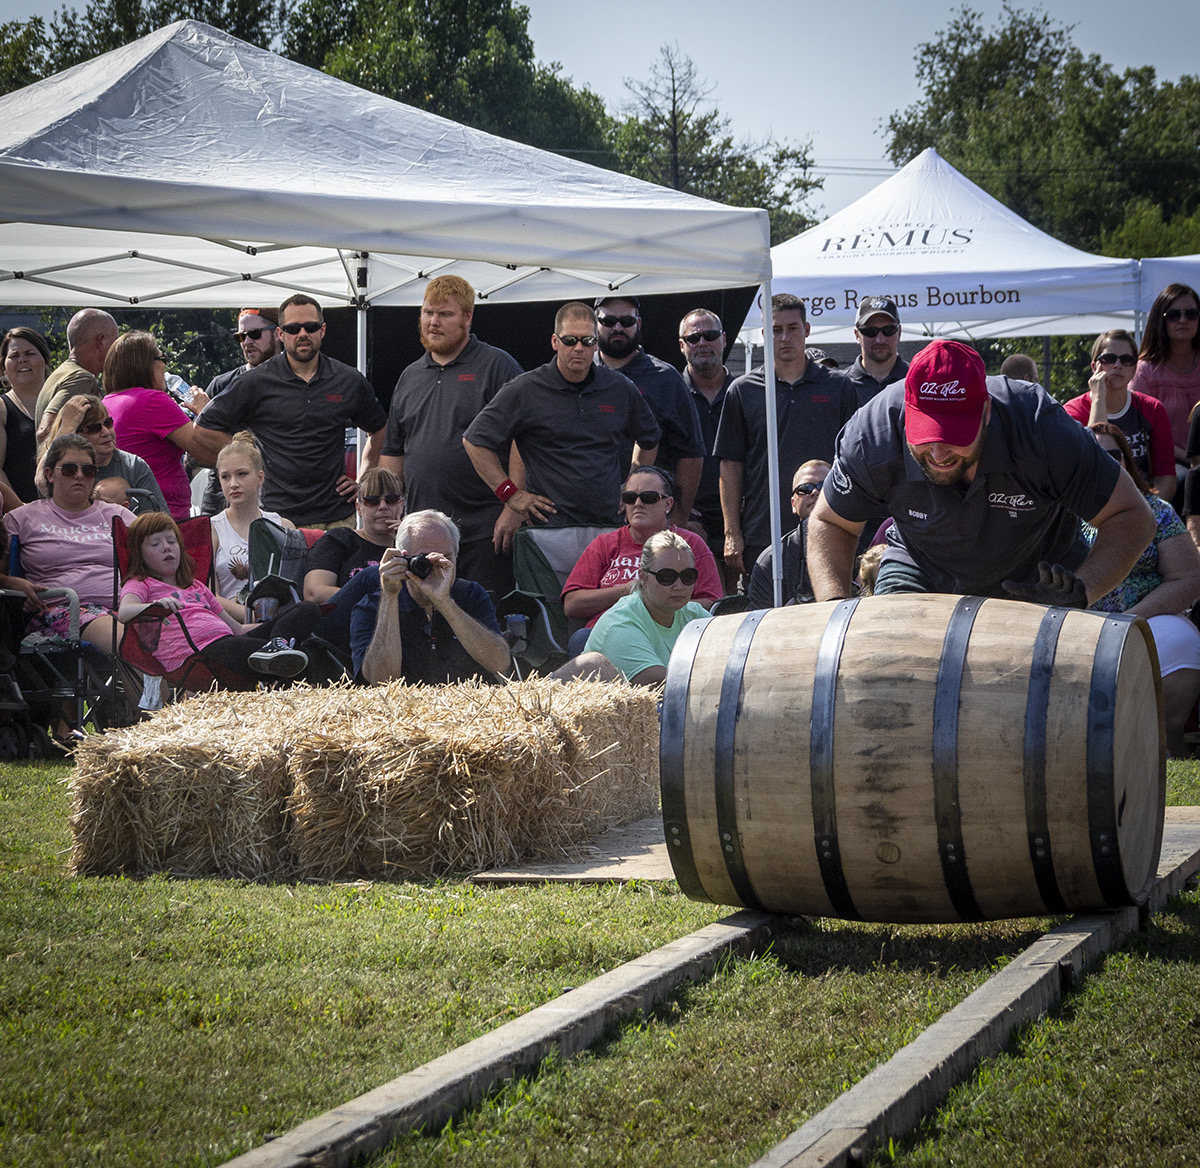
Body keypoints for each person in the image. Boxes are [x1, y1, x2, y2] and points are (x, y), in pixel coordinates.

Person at [807, 338, 1156, 605]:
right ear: (907, 414)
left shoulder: (1040, 429)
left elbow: (1132, 517)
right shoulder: (874, 434)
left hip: (1036, 579)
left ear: (987, 411)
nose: (939, 452)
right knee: (891, 663)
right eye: (925, 438)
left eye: (954, 436)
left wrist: (1082, 590)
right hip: (921, 565)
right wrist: (835, 611)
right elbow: (830, 522)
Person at [462, 301, 660, 538]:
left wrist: (632, 486)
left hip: (607, 528)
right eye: (570, 340)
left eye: (587, 341)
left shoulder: (619, 387)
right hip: (548, 531)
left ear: (596, 344)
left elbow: (649, 438)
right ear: (555, 342)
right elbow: (474, 442)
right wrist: (511, 495)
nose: (578, 348)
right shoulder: (525, 389)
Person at [379, 276, 522, 596]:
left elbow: (522, 443)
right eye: (427, 312)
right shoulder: (409, 376)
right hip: (422, 535)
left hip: (484, 532)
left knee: (481, 626)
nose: (433, 322)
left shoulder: (497, 367)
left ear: (467, 317)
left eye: (445, 314)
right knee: (425, 626)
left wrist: (513, 507)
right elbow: (393, 451)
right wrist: (388, 506)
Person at [195, 293, 388, 529]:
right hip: (277, 519)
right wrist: (248, 459)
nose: (303, 334)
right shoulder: (256, 381)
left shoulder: (348, 380)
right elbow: (202, 429)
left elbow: (379, 428)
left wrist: (363, 479)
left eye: (311, 326)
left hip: (337, 518)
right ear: (281, 334)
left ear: (323, 330)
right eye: (293, 328)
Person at [714, 292, 857, 581]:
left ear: (806, 330)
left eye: (792, 328)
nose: (785, 337)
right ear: (766, 333)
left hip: (829, 523)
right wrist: (732, 533)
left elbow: (853, 461)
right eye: (777, 330)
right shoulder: (743, 390)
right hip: (762, 529)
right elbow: (730, 466)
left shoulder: (839, 387)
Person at [1086, 423, 1200, 757]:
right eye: (1094, 454)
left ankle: (1165, 743)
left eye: (1112, 454)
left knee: (1181, 642)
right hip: (1077, 626)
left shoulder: (1157, 513)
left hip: (1148, 617)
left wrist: (1129, 618)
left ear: (1126, 460)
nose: (1104, 462)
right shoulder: (1056, 517)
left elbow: (1188, 578)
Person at [118, 511, 322, 683]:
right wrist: (155, 605)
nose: (166, 547)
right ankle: (276, 652)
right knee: (303, 658)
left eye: (171, 541)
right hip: (200, 655)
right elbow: (125, 613)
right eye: (155, 544)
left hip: (228, 641)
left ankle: (277, 644)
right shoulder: (141, 583)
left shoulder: (196, 586)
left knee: (307, 609)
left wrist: (279, 625)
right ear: (140, 555)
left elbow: (238, 629)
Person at [561, 466, 721, 653]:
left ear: (668, 504)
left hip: (670, 636)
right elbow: (572, 604)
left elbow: (713, 603)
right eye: (630, 498)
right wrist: (628, 589)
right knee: (581, 639)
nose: (637, 504)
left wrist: (659, 603)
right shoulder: (604, 544)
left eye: (649, 498)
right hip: (612, 634)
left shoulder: (689, 544)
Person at [3, 434, 131, 652]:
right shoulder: (22, 518)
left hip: (128, 605)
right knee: (128, 641)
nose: (79, 476)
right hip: (63, 609)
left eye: (88, 470)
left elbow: (157, 559)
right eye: (70, 469)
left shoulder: (118, 515)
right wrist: (15, 584)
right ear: (50, 474)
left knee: (179, 633)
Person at [351, 509, 510, 685]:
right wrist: (390, 596)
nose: (434, 566)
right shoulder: (371, 606)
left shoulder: (471, 595)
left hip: (469, 707)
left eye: (444, 558)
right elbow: (381, 682)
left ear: (456, 556)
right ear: (402, 558)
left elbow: (500, 664)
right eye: (423, 559)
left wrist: (445, 603)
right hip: (404, 710)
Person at [595, 295, 704, 526]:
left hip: (648, 519)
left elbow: (691, 454)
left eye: (626, 321)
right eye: (609, 321)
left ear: (639, 323)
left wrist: (678, 518)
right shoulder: (580, 372)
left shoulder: (665, 378)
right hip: (586, 515)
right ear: (596, 323)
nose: (617, 327)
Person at [565, 531, 709, 686]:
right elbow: (664, 684)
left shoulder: (695, 614)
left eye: (688, 576)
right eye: (666, 576)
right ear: (642, 577)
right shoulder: (619, 625)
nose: (679, 586)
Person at [102, 331, 215, 521]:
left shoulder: (106, 402)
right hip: (164, 519)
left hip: (126, 517)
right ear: (144, 364)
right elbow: (207, 452)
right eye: (162, 358)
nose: (165, 366)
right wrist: (206, 412)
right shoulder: (152, 401)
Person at [1063, 330, 1174, 500]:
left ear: (1134, 369)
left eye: (1127, 360)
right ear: (1094, 367)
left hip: (1144, 504)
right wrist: (1099, 396)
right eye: (1108, 358)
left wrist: (1149, 512)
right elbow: (1092, 464)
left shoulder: (1153, 409)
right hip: (1092, 504)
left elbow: (1166, 477)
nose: (1117, 365)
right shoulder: (1073, 412)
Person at [197, 308, 281, 516]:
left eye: (254, 334)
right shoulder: (222, 384)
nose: (247, 342)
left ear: (278, 333)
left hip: (278, 495)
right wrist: (202, 415)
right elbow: (197, 445)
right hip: (223, 495)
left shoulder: (293, 383)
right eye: (241, 336)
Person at [678, 307, 738, 594]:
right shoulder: (670, 392)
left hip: (742, 513)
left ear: (724, 339)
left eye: (710, 335)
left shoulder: (748, 390)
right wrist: (681, 513)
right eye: (693, 338)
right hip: (689, 514)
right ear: (682, 345)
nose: (702, 343)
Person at [210, 431, 294, 620]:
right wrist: (253, 616)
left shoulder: (283, 525)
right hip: (231, 624)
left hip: (280, 619)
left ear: (260, 477)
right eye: (225, 477)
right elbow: (209, 595)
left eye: (242, 474)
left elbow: (296, 587)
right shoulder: (211, 529)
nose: (233, 484)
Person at [41, 393, 167, 513]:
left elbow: (160, 519)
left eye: (108, 423)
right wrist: (67, 426)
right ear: (75, 435)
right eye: (94, 429)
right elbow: (42, 481)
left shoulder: (133, 465)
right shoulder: (66, 470)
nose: (106, 432)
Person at [1130, 283, 1200, 484]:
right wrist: (1192, 459)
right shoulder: (1145, 371)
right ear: (1161, 321)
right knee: (1183, 480)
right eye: (1173, 315)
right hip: (1168, 462)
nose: (1183, 320)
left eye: (1191, 313)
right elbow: (1142, 433)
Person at [302, 466, 403, 604]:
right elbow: (314, 593)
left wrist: (405, 541)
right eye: (372, 500)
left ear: (401, 505)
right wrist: (378, 599)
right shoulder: (338, 539)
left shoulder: (412, 546)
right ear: (359, 508)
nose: (382, 506)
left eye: (391, 499)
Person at [747, 460, 829, 608]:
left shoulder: (863, 544)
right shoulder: (772, 561)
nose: (815, 492)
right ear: (793, 504)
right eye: (805, 488)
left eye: (824, 486)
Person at [34, 309, 119, 442]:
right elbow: (44, 432)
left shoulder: (60, 373)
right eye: (114, 343)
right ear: (101, 341)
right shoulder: (81, 379)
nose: (116, 351)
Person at [0, 327, 51, 510]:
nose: (22, 359)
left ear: (46, 362)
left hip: (67, 517)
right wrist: (23, 512)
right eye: (14, 356)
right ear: (4, 367)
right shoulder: (3, 408)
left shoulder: (64, 405)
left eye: (29, 353)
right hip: (17, 518)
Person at [845, 296, 908, 407]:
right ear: (857, 335)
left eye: (888, 331)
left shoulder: (917, 380)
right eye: (870, 331)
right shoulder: (841, 385)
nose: (880, 340)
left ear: (899, 333)